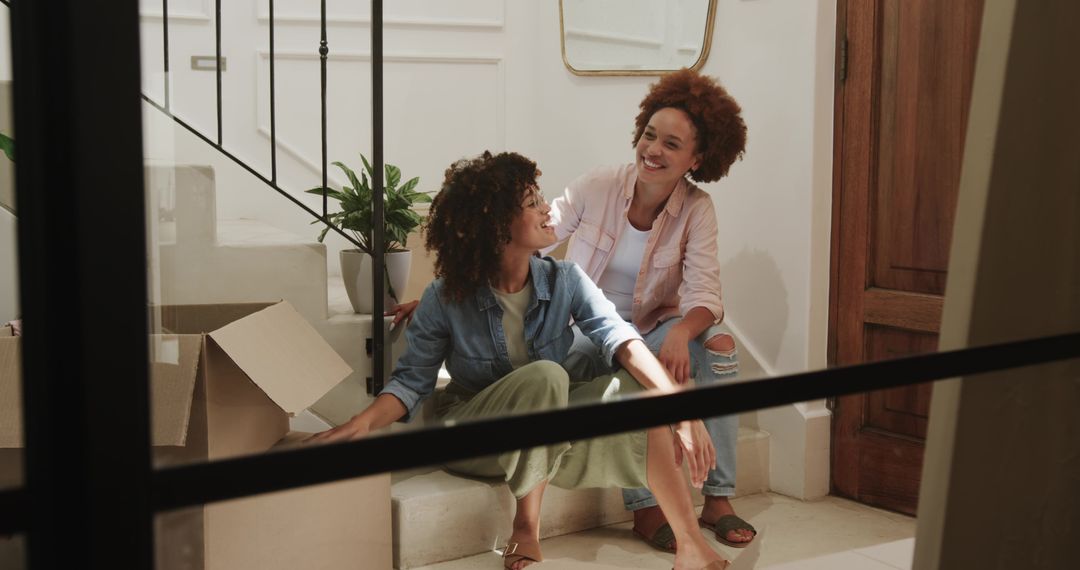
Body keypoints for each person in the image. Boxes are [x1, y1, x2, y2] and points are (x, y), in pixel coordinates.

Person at [311, 151, 731, 570]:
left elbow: (622, 339)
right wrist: (359, 424)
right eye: (532, 203)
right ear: (496, 227)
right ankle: (526, 527)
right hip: (475, 435)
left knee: (639, 392)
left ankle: (690, 544)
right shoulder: (446, 296)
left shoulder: (566, 280)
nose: (548, 209)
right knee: (547, 375)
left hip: (545, 433)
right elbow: (411, 383)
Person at [543, 68, 754, 551]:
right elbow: (536, 236)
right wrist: (458, 285)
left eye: (671, 144)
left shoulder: (697, 209)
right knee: (640, 365)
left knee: (718, 347)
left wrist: (681, 334)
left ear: (697, 158)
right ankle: (645, 505)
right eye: (649, 135)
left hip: (653, 328)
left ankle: (717, 496)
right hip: (585, 331)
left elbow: (706, 293)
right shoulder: (597, 186)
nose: (652, 150)